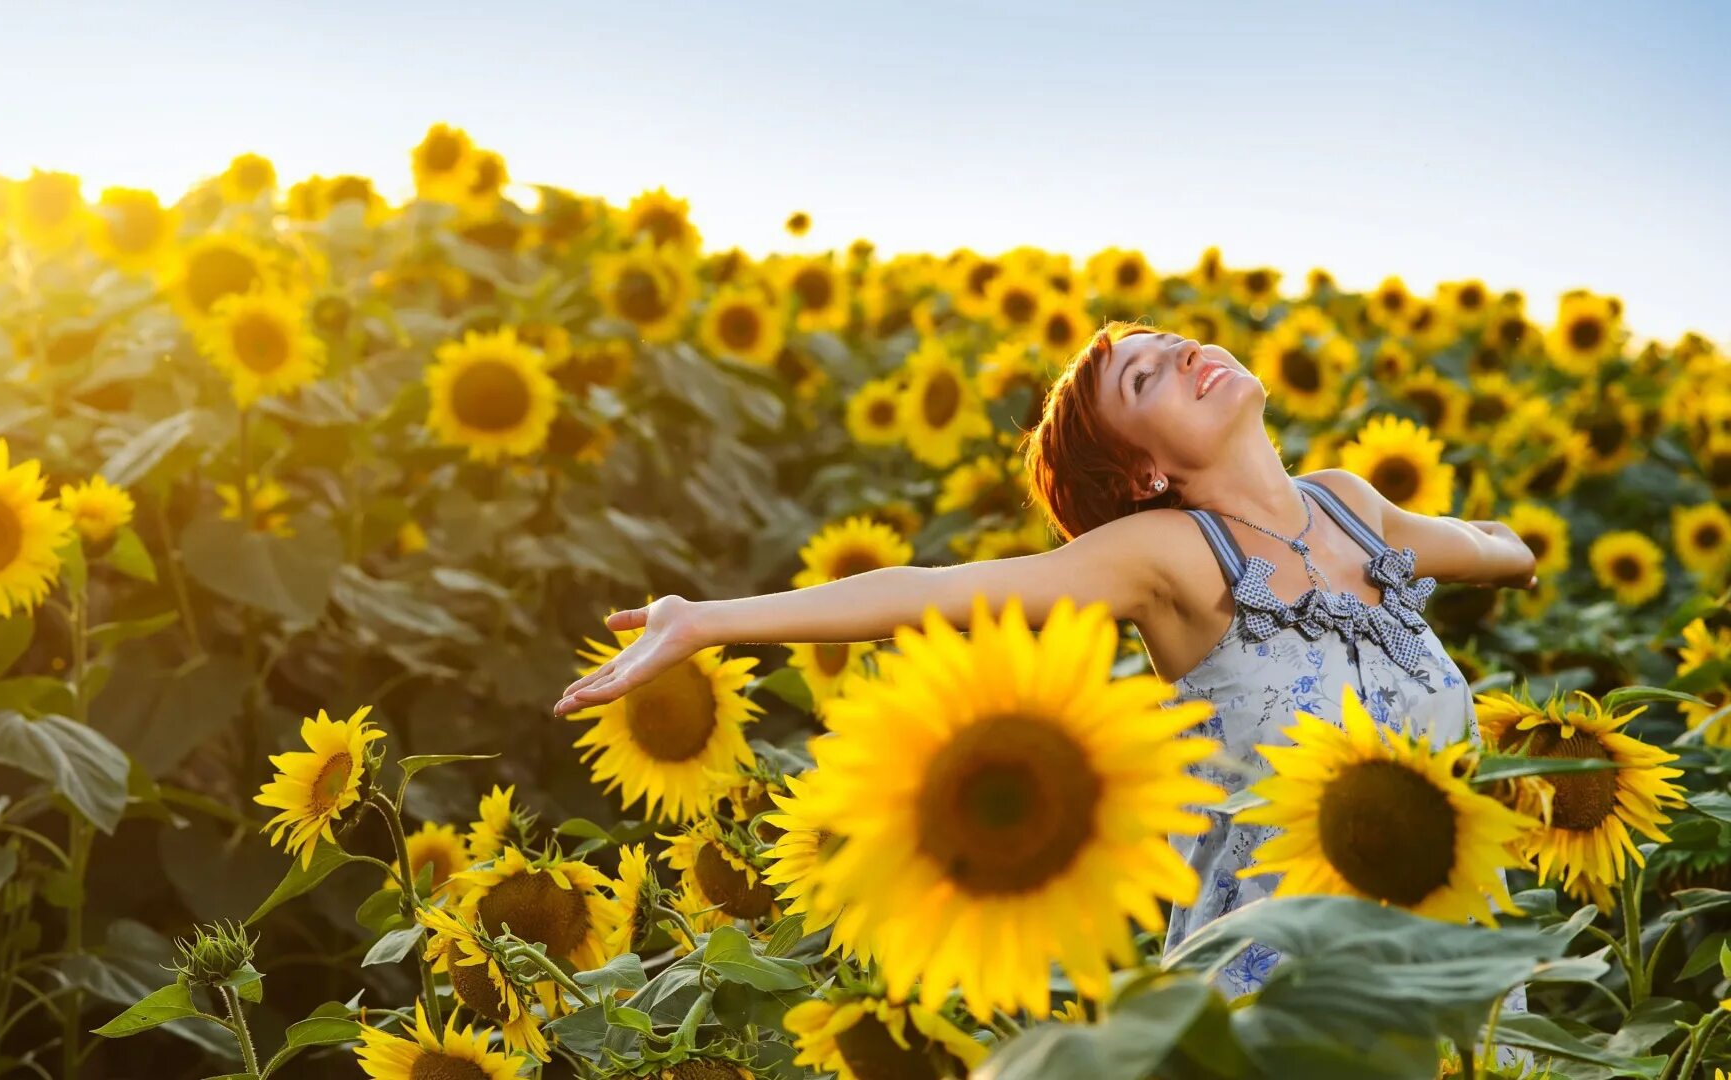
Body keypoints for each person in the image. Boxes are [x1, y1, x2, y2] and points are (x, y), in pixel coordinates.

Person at [550, 320, 1539, 1000]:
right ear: (1146, 470)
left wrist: (1513, 554)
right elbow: (932, 596)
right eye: (1146, 377)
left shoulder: (1352, 510)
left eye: (1172, 342)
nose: (1186, 353)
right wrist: (710, 619)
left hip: (1440, 983)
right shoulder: (1172, 558)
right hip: (1271, 1018)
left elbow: (1493, 543)